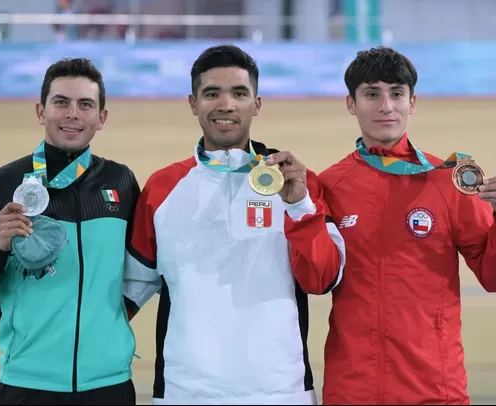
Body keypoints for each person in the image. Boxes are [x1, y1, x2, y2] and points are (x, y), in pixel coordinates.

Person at [121, 44, 346, 405]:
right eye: (212, 93)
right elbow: (125, 296)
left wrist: (299, 205)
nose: (226, 104)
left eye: (239, 93)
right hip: (185, 393)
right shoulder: (161, 189)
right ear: (193, 103)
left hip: (280, 392)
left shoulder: (296, 183)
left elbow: (322, 280)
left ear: (257, 104)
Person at [317, 46, 496, 404]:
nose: (386, 106)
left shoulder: (447, 181)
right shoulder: (329, 186)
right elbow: (315, 278)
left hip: (434, 390)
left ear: (412, 102)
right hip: (352, 390)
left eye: (397, 94)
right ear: (351, 103)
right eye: (372, 94)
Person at [0, 58, 140, 405]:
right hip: (26, 383)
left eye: (86, 104)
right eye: (61, 102)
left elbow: (142, 269)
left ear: (101, 118)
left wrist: (108, 326)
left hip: (110, 385)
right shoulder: (2, 183)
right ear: (41, 111)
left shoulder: (121, 182)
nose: (73, 114)